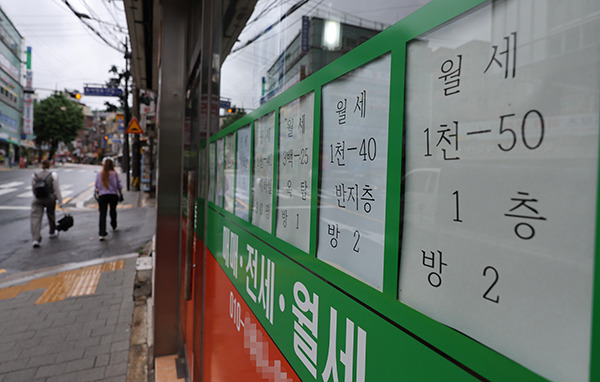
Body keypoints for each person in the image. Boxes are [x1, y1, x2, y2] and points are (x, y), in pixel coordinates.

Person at [31, 159, 63, 248]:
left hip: (38, 198)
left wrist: (36, 195)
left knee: (35, 218)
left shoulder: (35, 175)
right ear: (49, 166)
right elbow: (56, 189)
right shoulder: (53, 175)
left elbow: (33, 188)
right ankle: (52, 232)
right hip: (49, 198)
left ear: (41, 165)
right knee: (51, 215)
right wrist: (60, 201)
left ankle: (35, 239)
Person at [95, 158, 123, 241]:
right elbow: (119, 186)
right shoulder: (115, 174)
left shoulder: (99, 174)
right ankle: (114, 225)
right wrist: (121, 194)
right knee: (113, 211)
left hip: (102, 196)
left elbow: (96, 186)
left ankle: (102, 233)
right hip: (113, 195)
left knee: (102, 214)